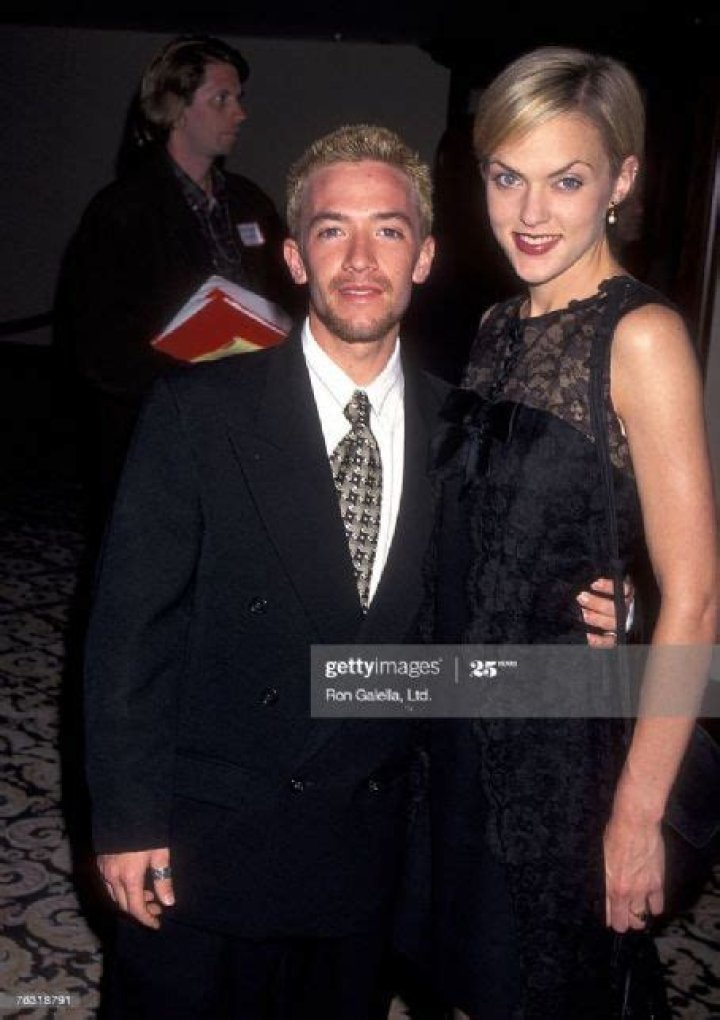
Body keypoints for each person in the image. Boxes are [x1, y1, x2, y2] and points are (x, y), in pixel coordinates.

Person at [82, 121, 623, 1019]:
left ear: (425, 257)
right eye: (334, 230)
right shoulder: (198, 410)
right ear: (295, 257)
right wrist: (128, 818)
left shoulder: (467, 433)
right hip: (210, 838)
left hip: (366, 855)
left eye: (390, 230)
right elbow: (130, 634)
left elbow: (490, 624)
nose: (362, 259)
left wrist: (606, 610)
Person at [422, 46, 718, 1018]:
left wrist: (636, 815)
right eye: (507, 177)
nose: (530, 212)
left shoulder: (642, 339)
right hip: (461, 718)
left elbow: (697, 595)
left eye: (567, 180)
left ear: (621, 181)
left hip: (558, 749)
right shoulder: (496, 325)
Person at [54, 34, 297, 544]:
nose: (240, 113)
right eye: (221, 99)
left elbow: (286, 298)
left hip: (243, 425)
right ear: (174, 107)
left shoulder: (249, 202)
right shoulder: (123, 211)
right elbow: (97, 349)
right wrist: (193, 354)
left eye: (239, 98)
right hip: (158, 430)